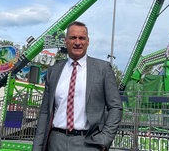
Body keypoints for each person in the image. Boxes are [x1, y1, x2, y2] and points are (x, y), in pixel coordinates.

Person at [33, 21, 122, 151]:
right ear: (66, 41)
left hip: (89, 143)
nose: (77, 42)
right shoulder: (53, 71)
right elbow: (45, 113)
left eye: (82, 38)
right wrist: (37, 147)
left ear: (88, 41)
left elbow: (116, 107)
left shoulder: (103, 69)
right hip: (55, 142)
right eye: (73, 37)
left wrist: (104, 139)